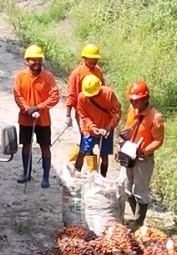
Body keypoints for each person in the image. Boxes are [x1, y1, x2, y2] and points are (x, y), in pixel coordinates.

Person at [117, 80, 165, 229]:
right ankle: (134, 218)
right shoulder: (132, 110)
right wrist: (121, 147)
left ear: (145, 98)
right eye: (131, 100)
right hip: (129, 153)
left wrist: (144, 151)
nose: (133, 103)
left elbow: (158, 140)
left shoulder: (155, 117)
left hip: (143, 158)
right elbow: (127, 128)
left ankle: (138, 222)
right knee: (127, 188)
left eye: (136, 100)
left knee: (140, 191)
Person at [12, 44, 62, 187]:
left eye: (39, 59)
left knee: (45, 147)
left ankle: (45, 177)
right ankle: (26, 173)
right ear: (27, 61)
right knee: (26, 145)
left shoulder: (48, 77)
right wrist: (27, 109)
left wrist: (39, 108)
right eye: (33, 60)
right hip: (25, 119)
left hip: (43, 120)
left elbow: (54, 96)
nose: (36, 62)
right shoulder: (20, 76)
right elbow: (17, 95)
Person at [66, 43, 110, 175]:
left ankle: (93, 173)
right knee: (86, 141)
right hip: (82, 113)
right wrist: (68, 114)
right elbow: (72, 94)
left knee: (93, 143)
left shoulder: (98, 71)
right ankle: (77, 167)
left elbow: (103, 91)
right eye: (91, 59)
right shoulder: (77, 73)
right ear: (84, 58)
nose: (93, 61)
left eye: (95, 59)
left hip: (98, 114)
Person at [74, 75, 123, 174]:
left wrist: (109, 127)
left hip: (106, 128)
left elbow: (117, 112)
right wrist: (93, 127)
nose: (91, 96)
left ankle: (102, 178)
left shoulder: (108, 94)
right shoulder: (82, 97)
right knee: (83, 151)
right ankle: (76, 173)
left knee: (104, 156)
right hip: (89, 129)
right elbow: (83, 116)